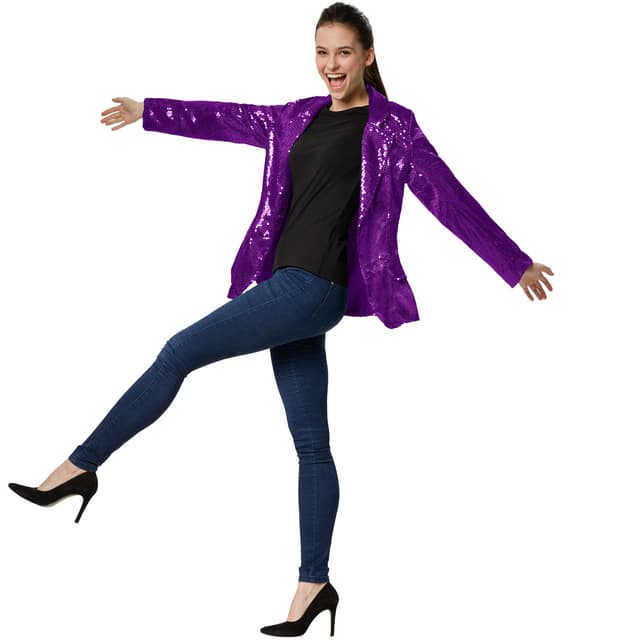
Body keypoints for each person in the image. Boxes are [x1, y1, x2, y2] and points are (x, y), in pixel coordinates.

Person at [8, 2, 554, 637]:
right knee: (311, 443)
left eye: (343, 52)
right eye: (322, 52)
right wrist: (147, 110)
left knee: (178, 351)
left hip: (313, 289)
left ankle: (79, 468)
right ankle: (314, 585)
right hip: (286, 287)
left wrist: (514, 264)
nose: (331, 65)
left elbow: (448, 197)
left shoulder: (393, 128)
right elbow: (225, 117)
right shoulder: (297, 116)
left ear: (367, 56)